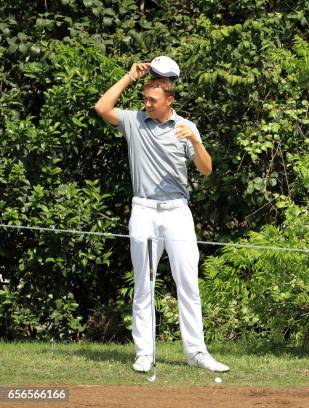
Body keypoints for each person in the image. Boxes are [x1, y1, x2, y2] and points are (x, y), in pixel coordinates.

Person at [95, 60, 229, 373]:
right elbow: (102, 106)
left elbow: (206, 169)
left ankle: (197, 353)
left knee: (188, 284)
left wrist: (195, 141)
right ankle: (145, 353)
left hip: (177, 212)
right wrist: (130, 77)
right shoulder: (134, 121)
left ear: (169, 101)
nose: (146, 103)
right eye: (145, 98)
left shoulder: (186, 127)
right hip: (143, 209)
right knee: (143, 284)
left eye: (152, 100)